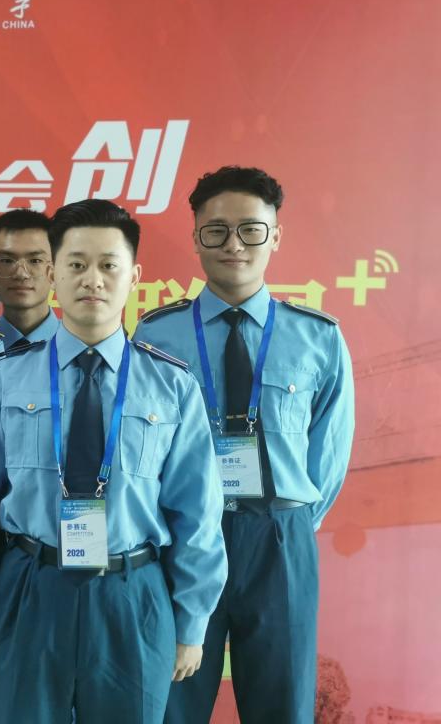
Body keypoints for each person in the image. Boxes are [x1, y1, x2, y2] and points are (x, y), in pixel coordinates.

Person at [0, 199, 227, 723]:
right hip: (30, 588)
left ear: (133, 277)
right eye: (76, 264)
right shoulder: (6, 377)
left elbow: (198, 513)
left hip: (132, 594)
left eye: (108, 265)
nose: (92, 279)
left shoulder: (172, 386)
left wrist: (192, 620)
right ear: (53, 273)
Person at [133, 166, 356, 724]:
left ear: (275, 236)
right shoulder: (155, 336)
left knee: (283, 701)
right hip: (183, 537)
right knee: (171, 699)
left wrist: (286, 524)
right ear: (196, 238)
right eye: (217, 230)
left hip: (279, 538)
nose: (234, 244)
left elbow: (328, 456)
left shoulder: (318, 337)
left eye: (251, 230)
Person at [0, 207, 59, 349]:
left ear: (55, 273)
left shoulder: (82, 346)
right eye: (7, 261)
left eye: (35, 261)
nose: (21, 274)